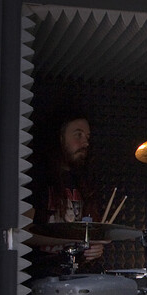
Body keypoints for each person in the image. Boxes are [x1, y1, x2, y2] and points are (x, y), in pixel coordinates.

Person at [30, 114, 107, 276]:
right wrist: (75, 240)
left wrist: (95, 248)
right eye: (78, 135)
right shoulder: (37, 179)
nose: (85, 143)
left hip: (78, 275)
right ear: (59, 138)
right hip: (43, 274)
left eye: (87, 137)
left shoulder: (85, 183)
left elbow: (91, 232)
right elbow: (23, 234)